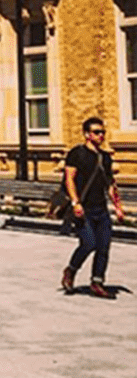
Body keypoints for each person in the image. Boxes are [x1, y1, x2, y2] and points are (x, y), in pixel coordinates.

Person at [61, 116, 126, 298]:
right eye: (97, 132)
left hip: (101, 209)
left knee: (104, 246)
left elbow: (110, 184)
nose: (101, 135)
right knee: (89, 243)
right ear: (87, 134)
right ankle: (71, 270)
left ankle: (97, 282)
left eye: (103, 132)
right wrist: (75, 203)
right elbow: (69, 179)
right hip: (83, 208)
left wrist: (118, 207)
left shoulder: (105, 157)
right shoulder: (77, 153)